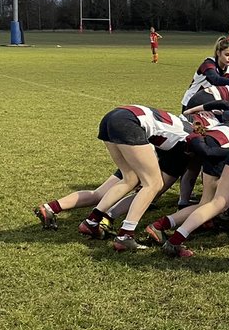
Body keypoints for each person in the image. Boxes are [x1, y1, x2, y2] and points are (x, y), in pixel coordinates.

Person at [78, 105, 190, 251]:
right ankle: (126, 235)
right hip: (129, 122)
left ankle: (92, 221)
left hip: (113, 116)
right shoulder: (193, 138)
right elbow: (190, 170)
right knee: (153, 184)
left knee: (129, 179)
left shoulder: (185, 126)